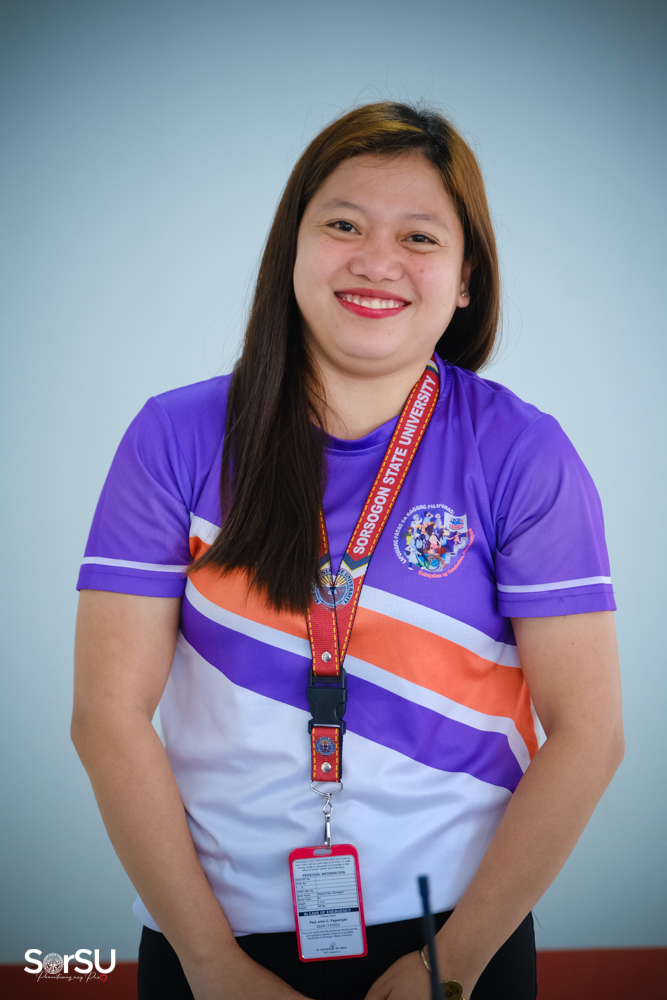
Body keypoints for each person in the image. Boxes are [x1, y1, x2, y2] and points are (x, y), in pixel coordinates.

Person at [71, 102, 623, 1000]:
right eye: (342, 225)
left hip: (454, 934)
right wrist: (211, 967)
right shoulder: (174, 437)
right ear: (291, 247)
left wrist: (454, 965)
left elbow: (589, 734)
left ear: (466, 278)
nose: (376, 261)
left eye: (419, 236)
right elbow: (106, 716)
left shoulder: (522, 454)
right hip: (211, 936)